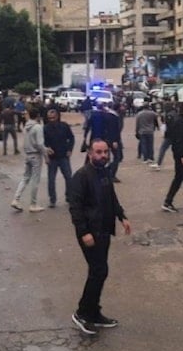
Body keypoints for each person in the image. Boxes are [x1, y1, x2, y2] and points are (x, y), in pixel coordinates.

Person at [67, 138, 131, 335]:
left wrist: (122, 216)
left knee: (100, 271)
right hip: (90, 232)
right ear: (90, 154)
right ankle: (82, 313)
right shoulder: (81, 176)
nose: (103, 155)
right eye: (98, 152)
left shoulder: (104, 172)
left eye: (105, 152)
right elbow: (75, 207)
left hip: (104, 230)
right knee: (98, 271)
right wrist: (83, 232)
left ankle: (94, 312)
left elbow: (112, 197)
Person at [11, 107, 47, 212]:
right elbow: (39, 144)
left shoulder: (26, 126)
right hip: (36, 155)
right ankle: (33, 204)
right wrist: (45, 152)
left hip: (28, 154)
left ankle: (16, 199)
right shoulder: (38, 127)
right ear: (38, 116)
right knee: (35, 180)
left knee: (25, 178)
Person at [43, 108, 75, 208]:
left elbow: (71, 138)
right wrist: (46, 155)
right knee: (51, 179)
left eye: (53, 118)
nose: (51, 120)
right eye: (49, 118)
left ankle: (69, 197)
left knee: (69, 177)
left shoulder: (64, 126)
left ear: (57, 117)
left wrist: (70, 149)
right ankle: (52, 200)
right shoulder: (45, 128)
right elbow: (43, 143)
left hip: (63, 156)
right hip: (52, 158)